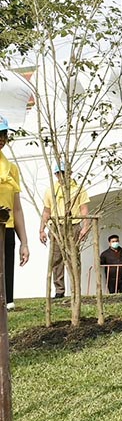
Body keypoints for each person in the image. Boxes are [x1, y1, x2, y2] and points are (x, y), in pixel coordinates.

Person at [39, 164, 90, 299]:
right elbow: (46, 211)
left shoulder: (78, 188)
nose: (61, 175)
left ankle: (75, 289)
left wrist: (85, 226)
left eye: (63, 172)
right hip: (56, 226)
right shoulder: (51, 190)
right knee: (56, 259)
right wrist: (41, 229)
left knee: (73, 258)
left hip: (73, 225)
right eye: (58, 173)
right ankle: (59, 290)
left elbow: (84, 208)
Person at [0, 117, 29, 310]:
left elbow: (17, 208)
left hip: (6, 230)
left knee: (5, 284)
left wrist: (24, 242)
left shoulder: (11, 169)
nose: (1, 138)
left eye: (4, 134)